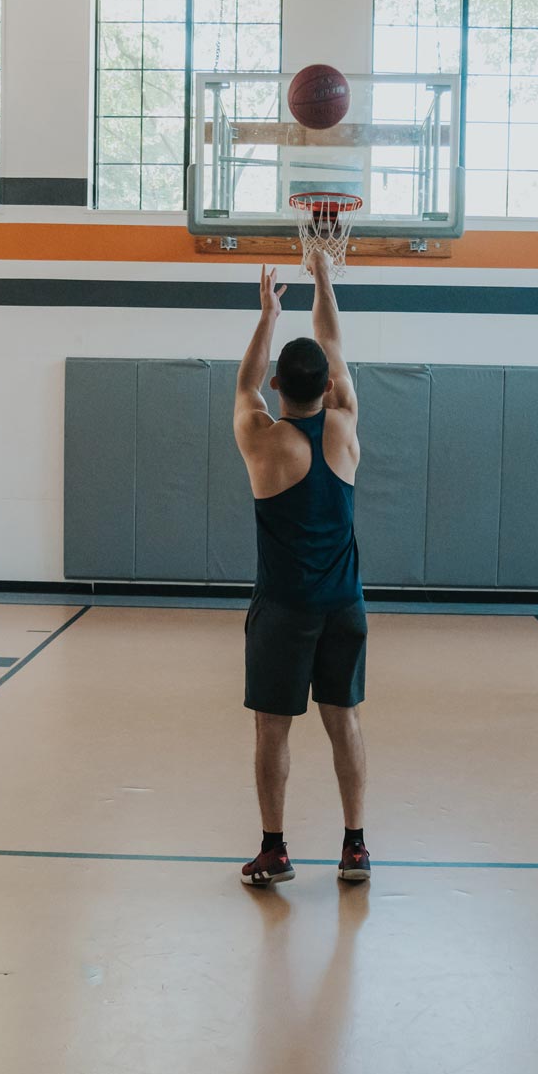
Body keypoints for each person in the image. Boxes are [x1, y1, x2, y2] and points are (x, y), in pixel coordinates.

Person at [231, 253, 370, 887]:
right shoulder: (344, 428)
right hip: (344, 605)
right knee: (345, 722)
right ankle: (355, 848)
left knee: (273, 729)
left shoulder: (263, 439)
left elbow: (244, 386)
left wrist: (267, 314)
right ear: (329, 388)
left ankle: (274, 849)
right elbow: (334, 344)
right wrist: (323, 280)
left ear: (282, 388)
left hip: (284, 610)